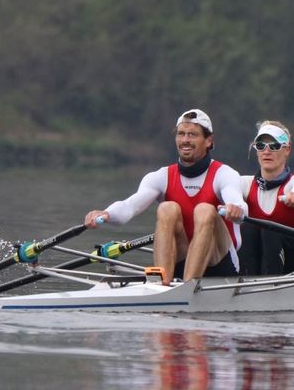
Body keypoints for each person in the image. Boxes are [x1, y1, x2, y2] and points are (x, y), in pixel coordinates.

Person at [85, 109, 246, 282]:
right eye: (181, 134)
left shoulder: (225, 174)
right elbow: (129, 207)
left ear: (209, 141)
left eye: (192, 135)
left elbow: (239, 205)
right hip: (182, 258)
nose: (185, 140)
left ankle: (186, 288)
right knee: (166, 208)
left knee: (205, 210)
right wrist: (106, 214)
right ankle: (162, 283)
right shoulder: (161, 176)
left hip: (220, 263)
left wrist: (236, 210)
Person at [237, 120, 294, 276]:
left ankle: (266, 287)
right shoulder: (244, 183)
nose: (266, 151)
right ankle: (247, 281)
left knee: (271, 229)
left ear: (287, 149)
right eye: (261, 145)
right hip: (261, 262)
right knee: (248, 228)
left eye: (274, 146)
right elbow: (223, 190)